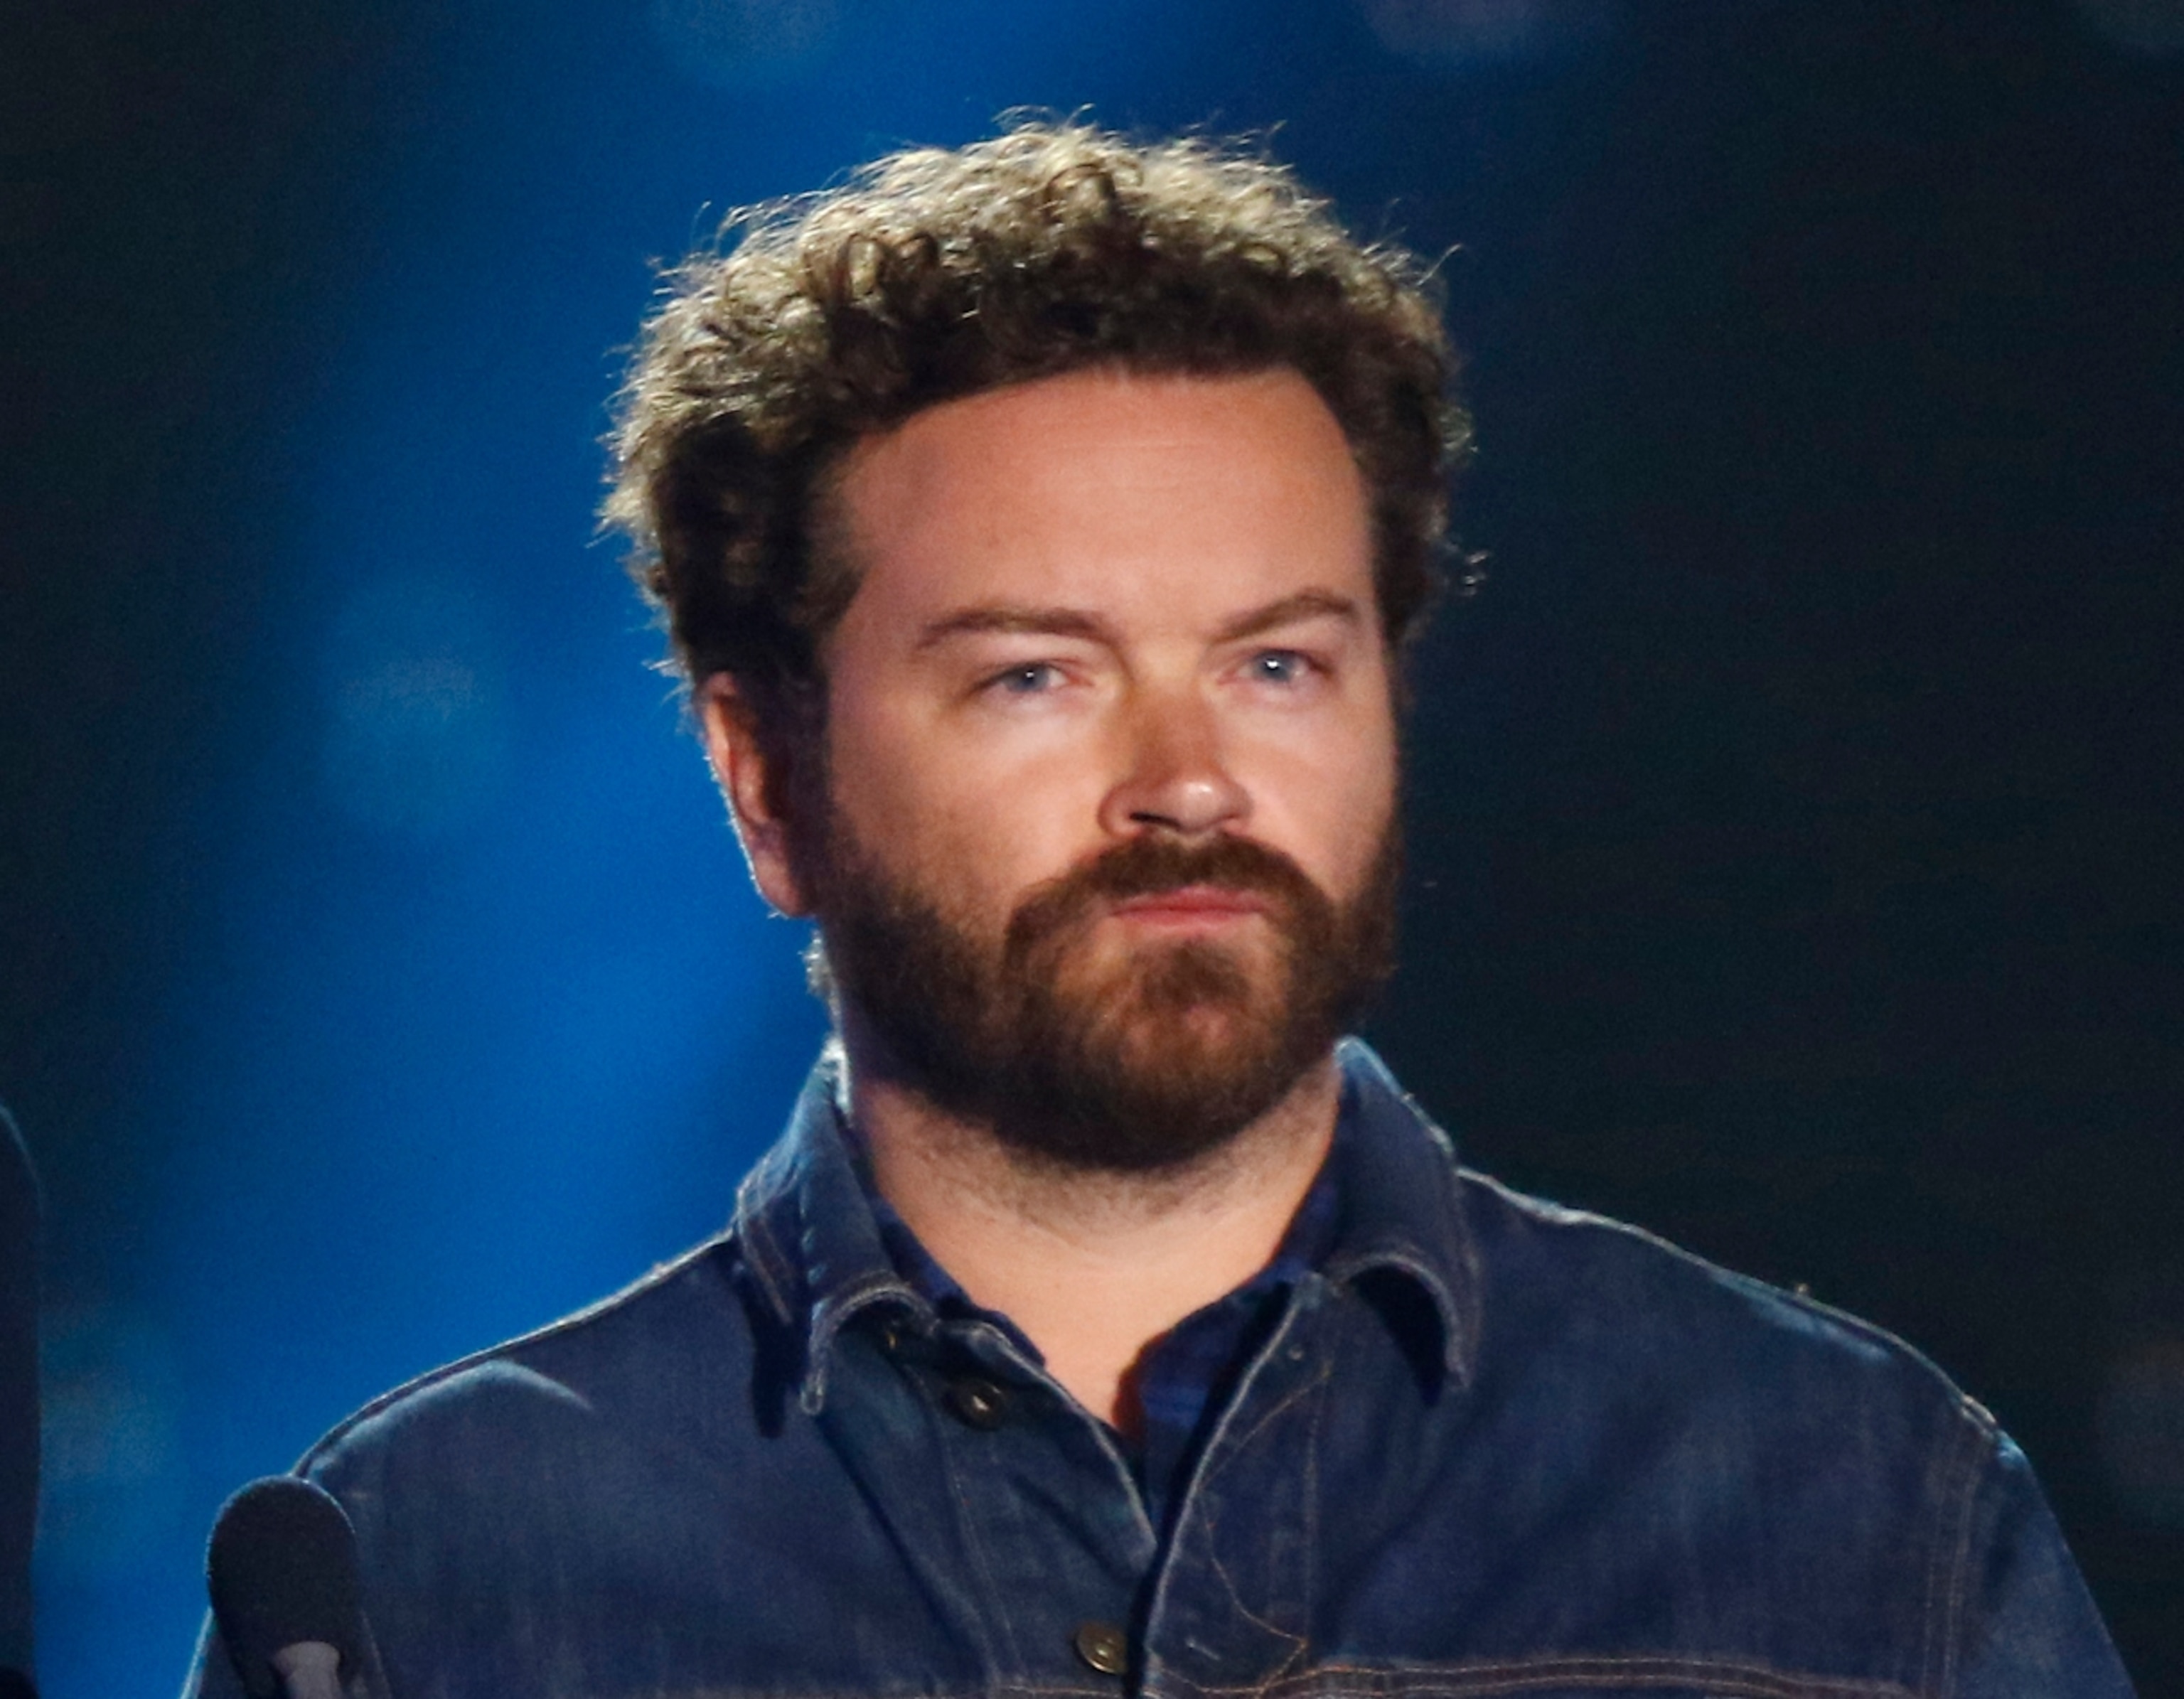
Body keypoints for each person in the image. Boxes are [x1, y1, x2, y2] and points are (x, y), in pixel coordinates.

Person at [184, 122, 2133, 1698]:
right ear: (764, 773)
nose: (1190, 781)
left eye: (1280, 665)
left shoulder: (1858, 1503)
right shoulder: (435, 1561)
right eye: (1038, 673)